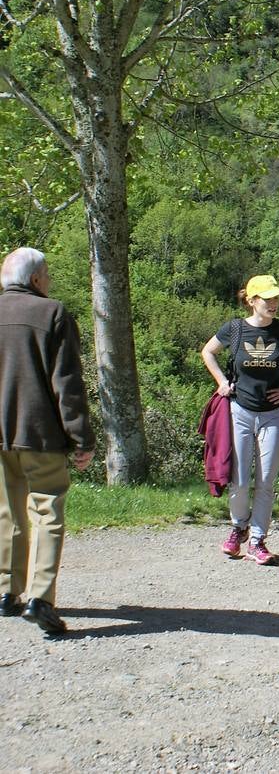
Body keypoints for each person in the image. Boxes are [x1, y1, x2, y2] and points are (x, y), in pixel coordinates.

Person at [0, 248, 95, 637]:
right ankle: (41, 598)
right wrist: (81, 438)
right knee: (48, 513)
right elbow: (66, 383)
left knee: (7, 512)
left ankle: (7, 593)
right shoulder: (52, 313)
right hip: (39, 433)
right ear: (37, 279)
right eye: (48, 275)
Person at [202, 275, 279, 566]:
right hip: (239, 411)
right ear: (252, 300)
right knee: (240, 480)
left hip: (273, 415)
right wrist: (220, 381)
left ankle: (257, 540)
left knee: (266, 480)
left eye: (276, 298)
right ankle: (237, 528)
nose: (274, 303)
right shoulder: (235, 329)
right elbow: (208, 351)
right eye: (268, 299)